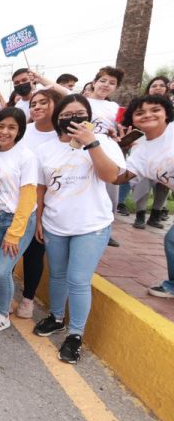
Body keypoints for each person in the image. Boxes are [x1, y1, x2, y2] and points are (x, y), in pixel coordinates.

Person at [34, 94, 125, 364]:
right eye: (65, 114)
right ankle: (57, 317)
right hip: (55, 223)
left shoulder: (104, 143)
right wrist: (38, 219)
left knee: (78, 280)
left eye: (78, 113)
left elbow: (111, 176)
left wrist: (92, 142)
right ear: (57, 117)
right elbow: (41, 188)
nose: (71, 118)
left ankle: (75, 335)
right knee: (58, 275)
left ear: (88, 116)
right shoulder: (46, 149)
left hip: (91, 225)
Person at [0, 108, 37, 332]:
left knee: (3, 270)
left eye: (12, 127)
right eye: (1, 126)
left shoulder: (26, 156)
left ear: (19, 130)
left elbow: (29, 196)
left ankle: (3, 314)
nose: (5, 132)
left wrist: (15, 233)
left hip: (18, 220)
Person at [115, 95, 174, 298]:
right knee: (172, 240)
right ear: (133, 119)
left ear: (166, 113)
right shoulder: (140, 149)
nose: (148, 114)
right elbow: (119, 177)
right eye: (140, 113)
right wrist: (113, 149)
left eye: (155, 109)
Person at [14, 89, 61, 319]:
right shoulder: (24, 132)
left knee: (34, 252)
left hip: (45, 203)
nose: (38, 107)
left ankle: (27, 299)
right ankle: (3, 297)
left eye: (44, 102)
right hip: (14, 201)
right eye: (34, 104)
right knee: (9, 251)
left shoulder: (63, 135)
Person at [86, 66, 125, 247]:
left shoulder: (114, 107)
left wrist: (116, 135)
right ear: (94, 82)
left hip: (108, 152)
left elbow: (118, 129)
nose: (106, 85)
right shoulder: (81, 102)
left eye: (112, 83)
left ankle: (106, 228)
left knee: (111, 192)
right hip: (83, 150)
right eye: (103, 81)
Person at [130, 76, 172, 228]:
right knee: (143, 179)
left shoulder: (170, 107)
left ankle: (155, 214)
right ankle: (140, 215)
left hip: (167, 150)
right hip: (144, 144)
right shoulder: (138, 104)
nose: (158, 88)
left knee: (164, 183)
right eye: (154, 85)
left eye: (162, 85)